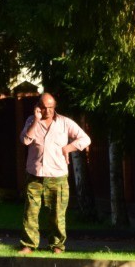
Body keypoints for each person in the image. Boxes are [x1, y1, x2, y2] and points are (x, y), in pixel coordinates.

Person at [19, 93, 91, 254]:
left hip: (57, 176)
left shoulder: (65, 123)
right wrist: (36, 121)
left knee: (57, 213)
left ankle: (57, 245)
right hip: (35, 175)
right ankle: (28, 245)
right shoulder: (31, 121)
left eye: (51, 107)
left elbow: (85, 139)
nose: (48, 111)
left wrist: (68, 148)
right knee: (30, 211)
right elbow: (24, 140)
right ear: (39, 107)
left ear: (55, 107)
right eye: (44, 107)